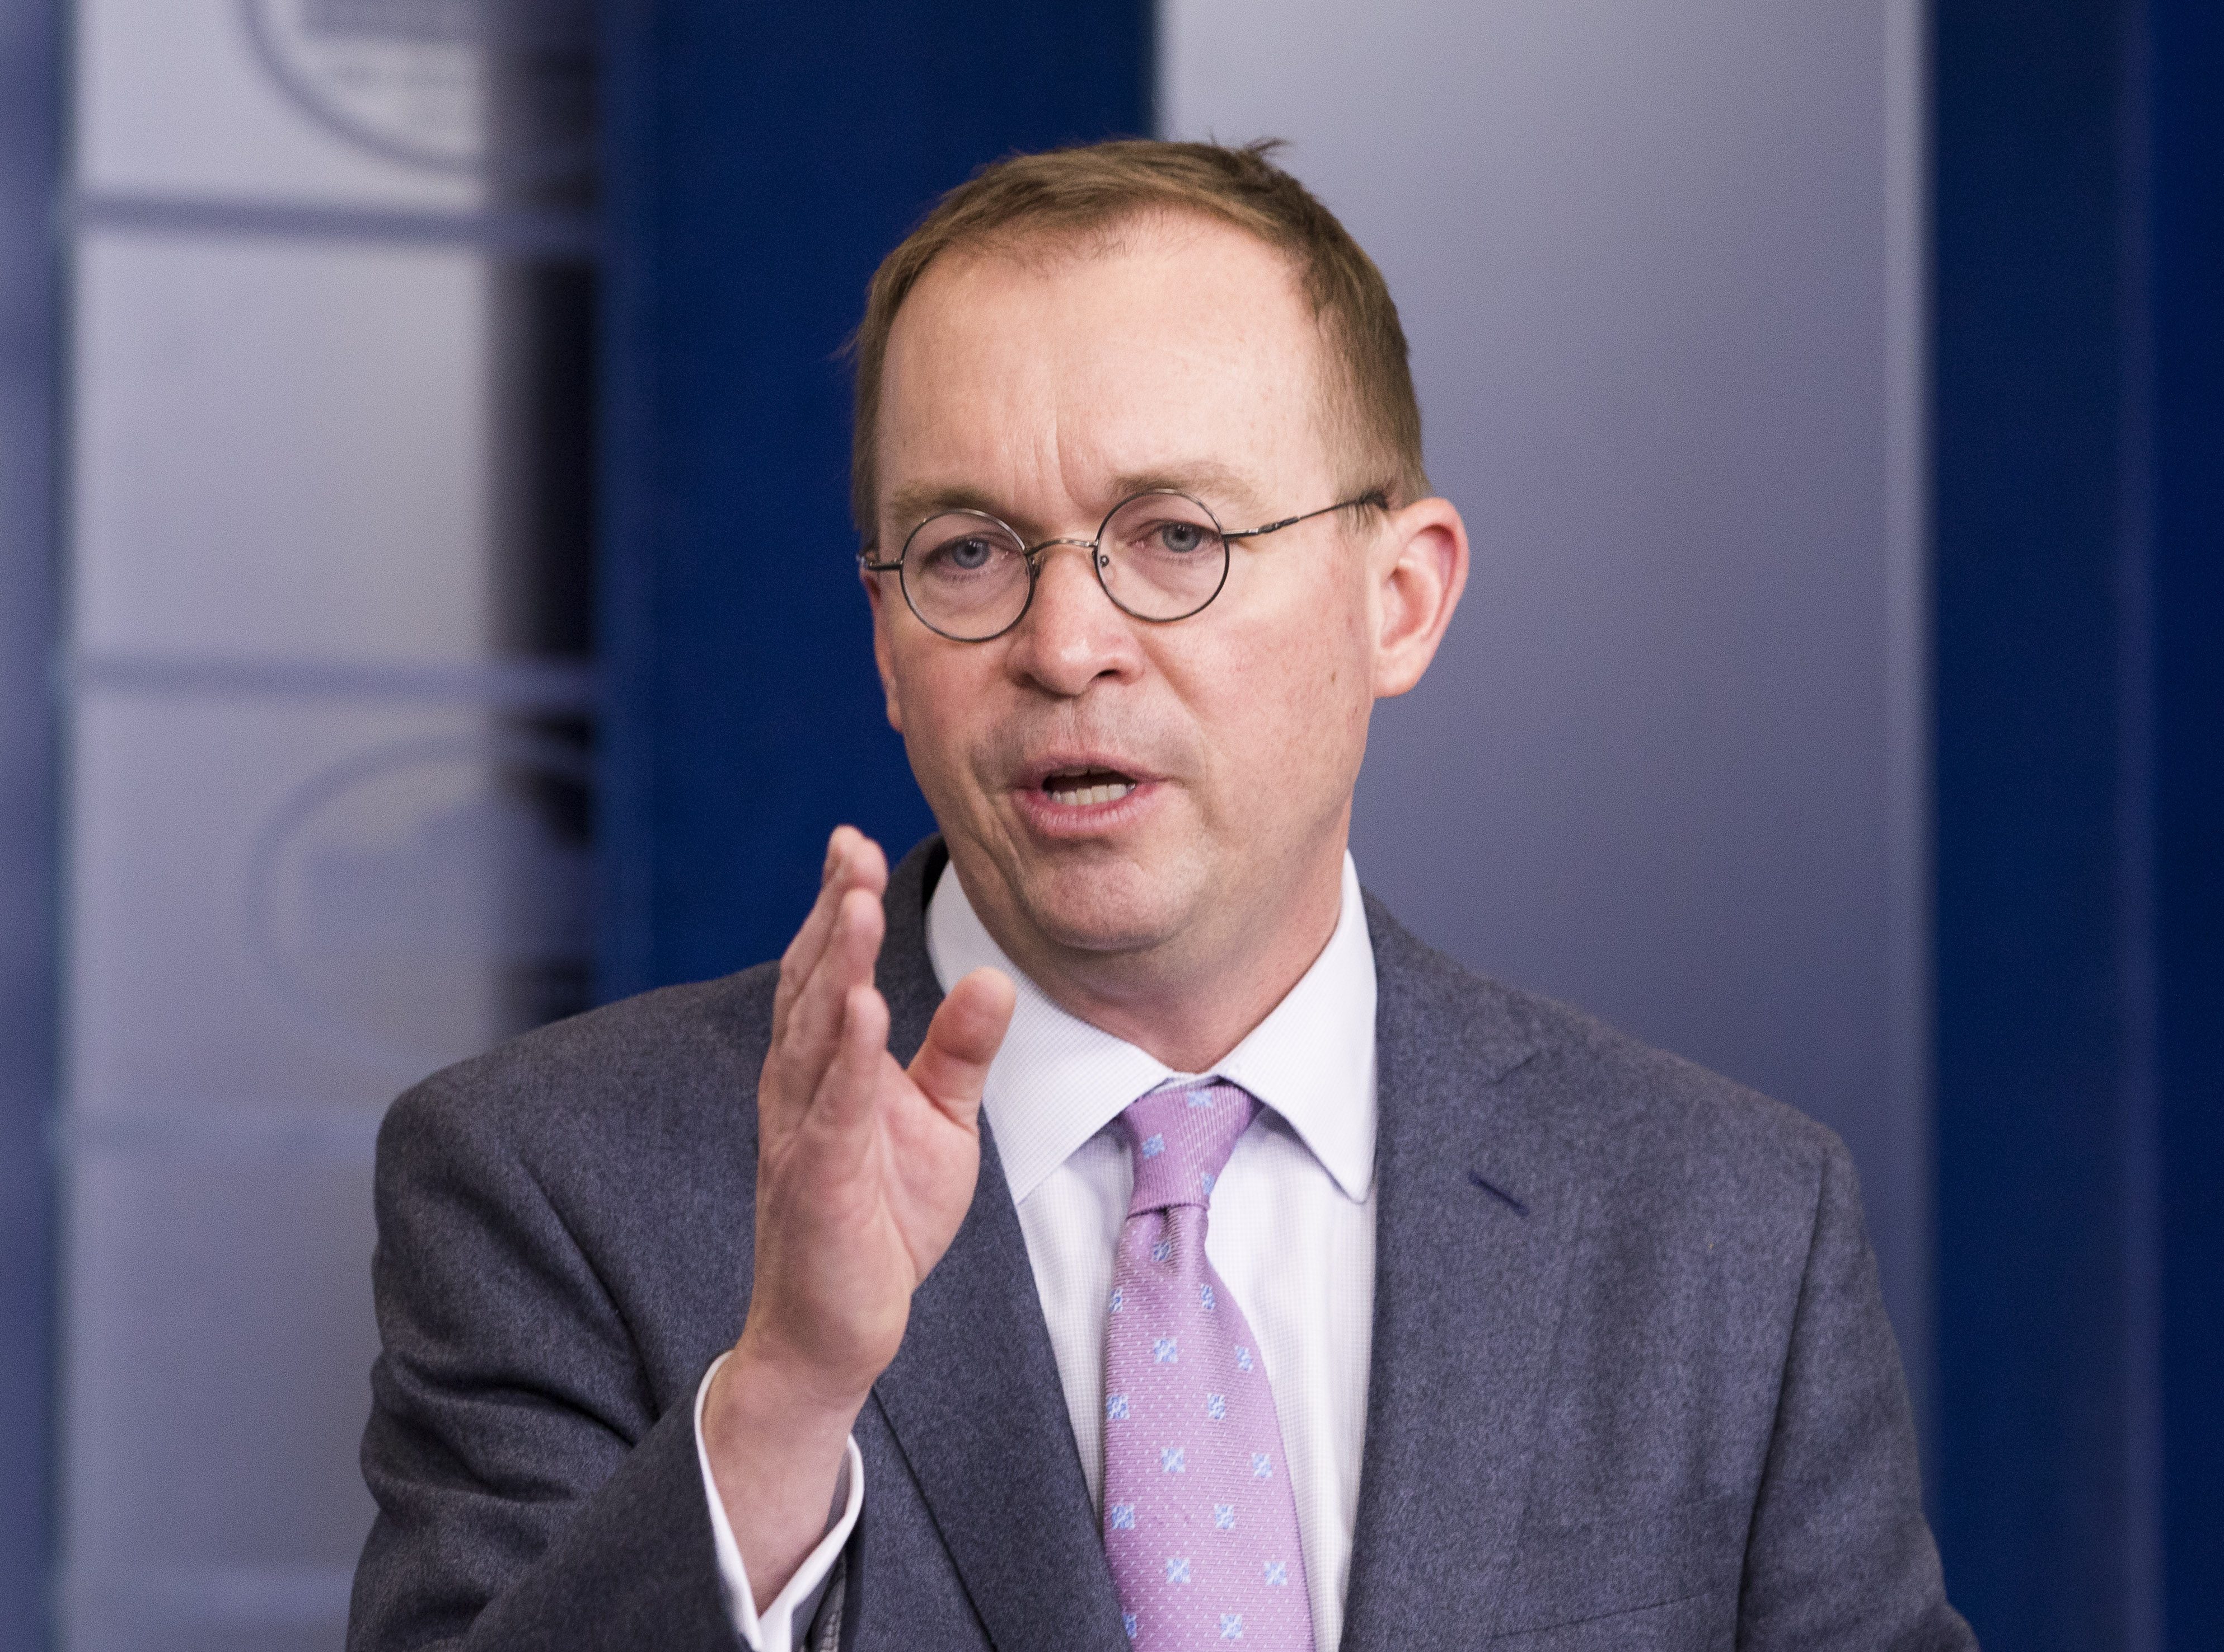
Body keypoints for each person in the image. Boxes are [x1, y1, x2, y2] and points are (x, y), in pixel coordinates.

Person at [347, 139, 1973, 1652]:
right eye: (968, 551)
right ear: (886, 644)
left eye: (1175, 535)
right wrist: (782, 1401)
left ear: (1399, 602)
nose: (1065, 647)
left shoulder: (1727, 1230)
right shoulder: (553, 1183)